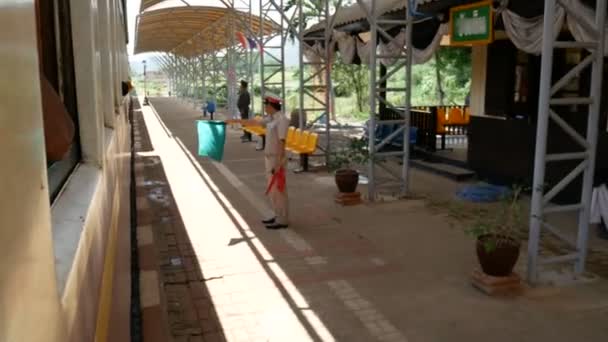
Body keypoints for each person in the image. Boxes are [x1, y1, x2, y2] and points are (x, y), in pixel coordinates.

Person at [227, 94, 290, 229]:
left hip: (276, 158)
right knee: (273, 190)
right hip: (269, 158)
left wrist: (279, 163)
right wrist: (233, 121)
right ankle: (277, 214)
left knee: (279, 189)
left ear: (271, 106)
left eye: (266, 105)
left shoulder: (282, 120)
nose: (265, 108)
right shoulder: (271, 119)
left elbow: (281, 142)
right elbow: (254, 122)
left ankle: (283, 219)